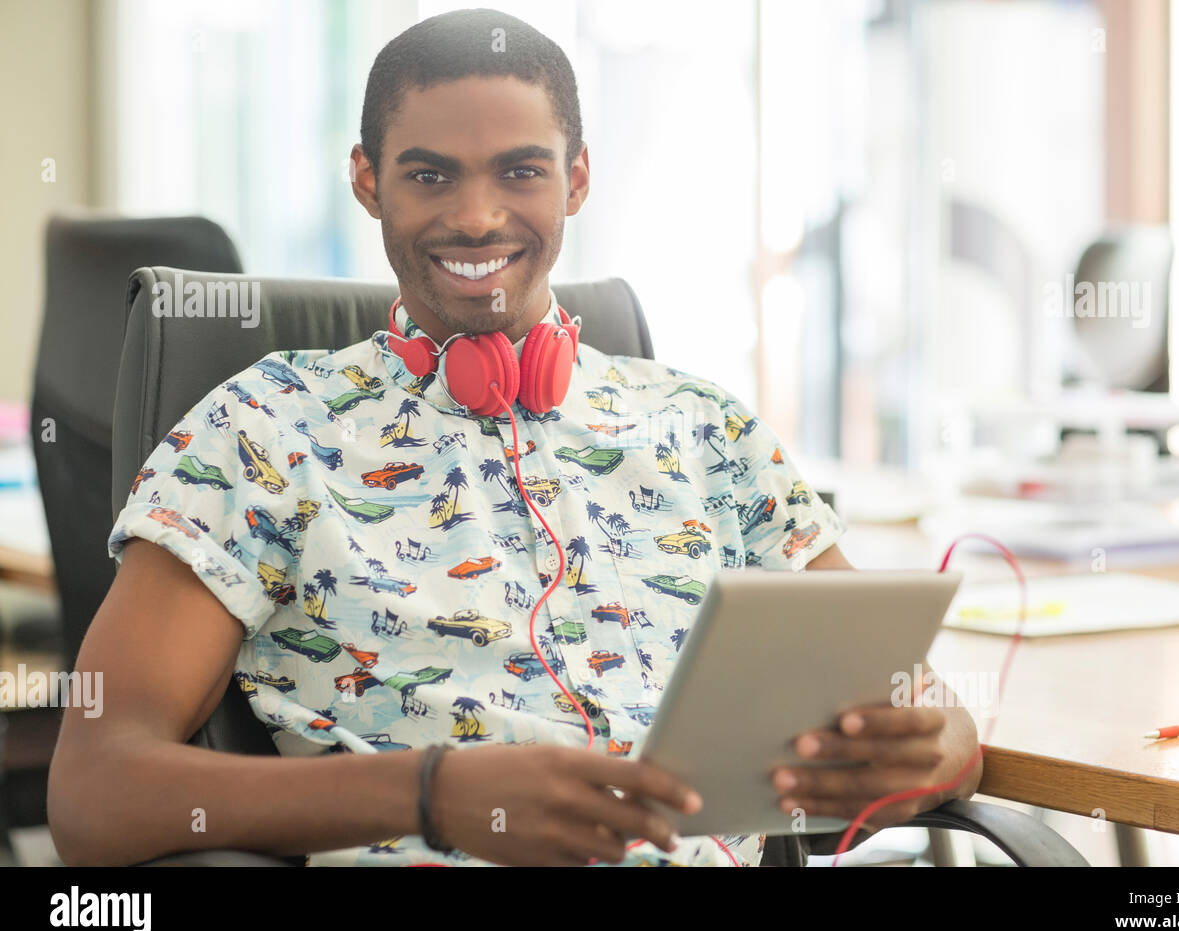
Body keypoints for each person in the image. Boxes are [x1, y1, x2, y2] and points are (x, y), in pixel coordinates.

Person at [48, 9, 980, 867]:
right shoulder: (262, 429)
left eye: (521, 171)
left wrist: (936, 746)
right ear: (367, 181)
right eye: (430, 174)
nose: (478, 217)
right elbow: (96, 789)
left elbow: (930, 711)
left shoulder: (704, 427)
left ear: (576, 179)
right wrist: (428, 794)